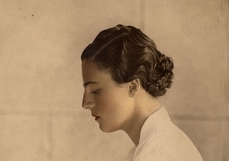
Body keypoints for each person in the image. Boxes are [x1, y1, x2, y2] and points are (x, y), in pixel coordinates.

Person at [80, 24, 203, 161]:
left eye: (96, 91)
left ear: (132, 87)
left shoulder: (156, 154)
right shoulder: (157, 143)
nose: (85, 103)